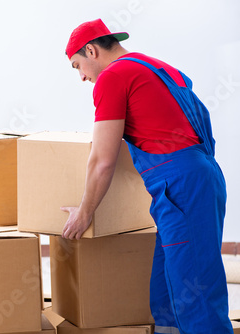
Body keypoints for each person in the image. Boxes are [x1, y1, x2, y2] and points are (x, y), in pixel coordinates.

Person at [61, 18, 233, 334]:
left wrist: (84, 214)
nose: (83, 77)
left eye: (78, 66)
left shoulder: (113, 77)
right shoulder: (158, 68)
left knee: (195, 296)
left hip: (180, 187)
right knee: (166, 291)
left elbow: (102, 160)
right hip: (194, 180)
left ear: (91, 50)